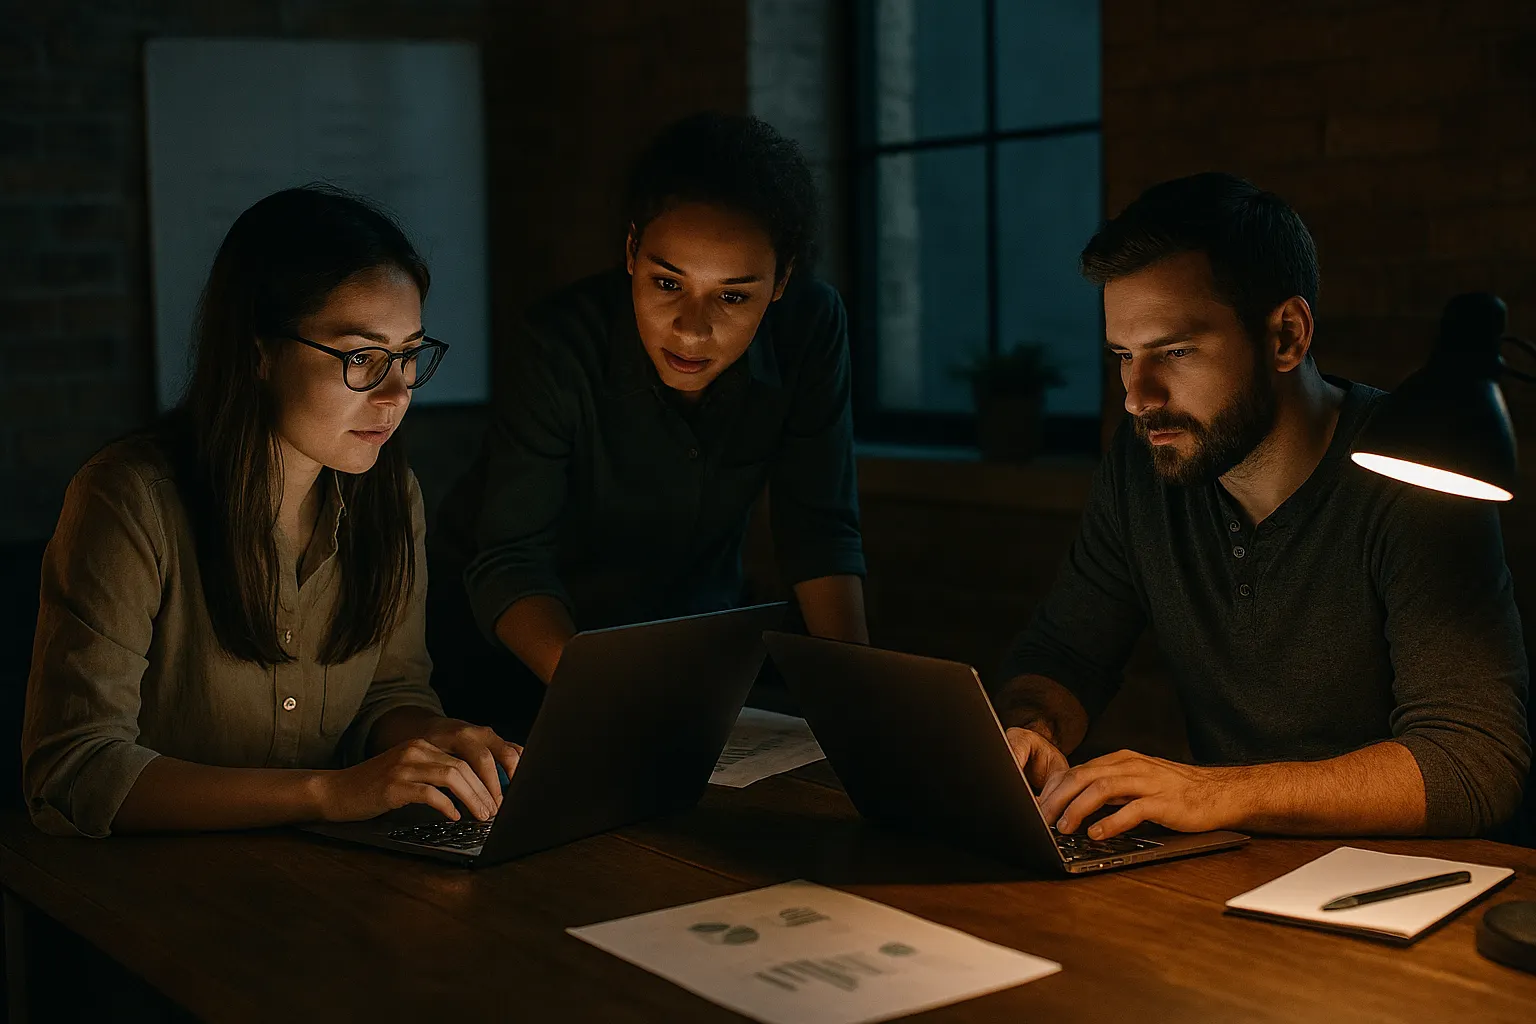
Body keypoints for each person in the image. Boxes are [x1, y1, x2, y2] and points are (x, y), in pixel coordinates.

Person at [993, 172, 1529, 840]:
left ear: (1286, 335)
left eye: (1176, 351)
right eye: (1123, 356)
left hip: (1410, 887)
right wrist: (1031, 730)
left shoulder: (1418, 477)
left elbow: (1473, 761)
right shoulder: (1145, 465)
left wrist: (1216, 792)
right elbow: (1067, 653)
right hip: (1238, 874)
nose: (1137, 395)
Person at [22, 185, 521, 837]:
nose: (397, 394)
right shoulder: (131, 499)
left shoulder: (392, 499)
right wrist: (328, 794)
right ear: (259, 352)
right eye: (363, 359)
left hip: (329, 879)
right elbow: (75, 770)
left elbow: (388, 694)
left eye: (407, 356)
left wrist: (439, 742)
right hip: (153, 894)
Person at [431, 112, 867, 735]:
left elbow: (820, 528)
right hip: (517, 656)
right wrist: (605, 695)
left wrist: (858, 698)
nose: (692, 328)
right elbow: (509, 560)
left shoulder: (810, 329)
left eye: (734, 295)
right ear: (631, 250)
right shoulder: (562, 343)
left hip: (688, 650)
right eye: (668, 283)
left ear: (782, 281)